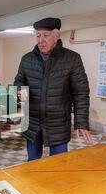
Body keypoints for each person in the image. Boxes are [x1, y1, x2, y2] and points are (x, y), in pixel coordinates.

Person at [14, 17, 92, 161]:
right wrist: (19, 89)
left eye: (46, 35)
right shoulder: (27, 59)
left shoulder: (72, 59)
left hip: (58, 124)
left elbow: (80, 92)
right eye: (38, 35)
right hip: (32, 121)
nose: (40, 40)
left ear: (56, 36)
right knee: (33, 162)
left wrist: (81, 121)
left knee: (58, 164)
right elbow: (18, 80)